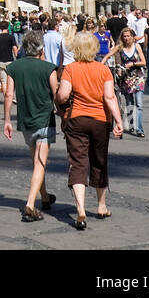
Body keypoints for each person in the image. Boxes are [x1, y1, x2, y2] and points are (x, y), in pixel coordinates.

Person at [56, 31, 124, 229]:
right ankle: (101, 205)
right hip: (100, 121)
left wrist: (61, 97)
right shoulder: (103, 70)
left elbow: (62, 95)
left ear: (76, 49)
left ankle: (81, 211)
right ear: (95, 48)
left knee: (78, 163)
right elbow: (110, 98)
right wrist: (119, 121)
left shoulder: (70, 69)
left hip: (76, 119)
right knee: (99, 160)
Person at [3, 29, 60, 221]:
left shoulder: (14, 67)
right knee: (40, 163)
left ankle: (45, 197)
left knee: (37, 162)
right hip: (44, 119)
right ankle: (30, 204)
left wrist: (6, 120)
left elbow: (8, 94)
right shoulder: (49, 68)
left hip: (25, 120)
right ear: (41, 49)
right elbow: (57, 95)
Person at [110, 27, 147, 136]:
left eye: (128, 36)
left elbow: (144, 62)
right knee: (130, 103)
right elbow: (111, 55)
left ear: (132, 37)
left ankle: (140, 129)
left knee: (139, 104)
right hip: (126, 79)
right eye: (124, 36)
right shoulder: (120, 48)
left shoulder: (137, 46)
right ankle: (131, 126)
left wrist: (133, 64)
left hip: (138, 78)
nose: (126, 38)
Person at [0, 21, 18, 93]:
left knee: (3, 81)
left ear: (0, 27)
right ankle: (10, 96)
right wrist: (17, 57)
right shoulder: (11, 37)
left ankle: (6, 97)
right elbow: (15, 48)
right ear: (8, 27)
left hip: (0, 61)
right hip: (9, 60)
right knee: (11, 81)